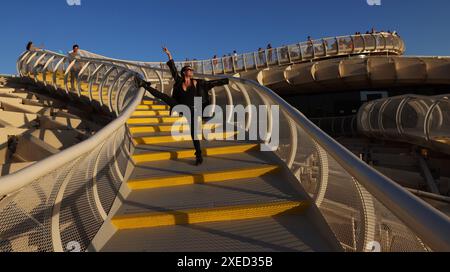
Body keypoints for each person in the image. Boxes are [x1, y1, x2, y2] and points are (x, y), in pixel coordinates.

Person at [136, 47, 230, 165]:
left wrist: (227, 80)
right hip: (180, 106)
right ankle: (145, 85)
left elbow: (212, 83)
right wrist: (169, 54)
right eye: (188, 70)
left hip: (193, 110)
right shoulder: (179, 81)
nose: (190, 71)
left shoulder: (197, 82)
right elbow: (173, 69)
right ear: (184, 72)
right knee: (164, 97)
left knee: (193, 132)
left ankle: (199, 155)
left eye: (191, 70)